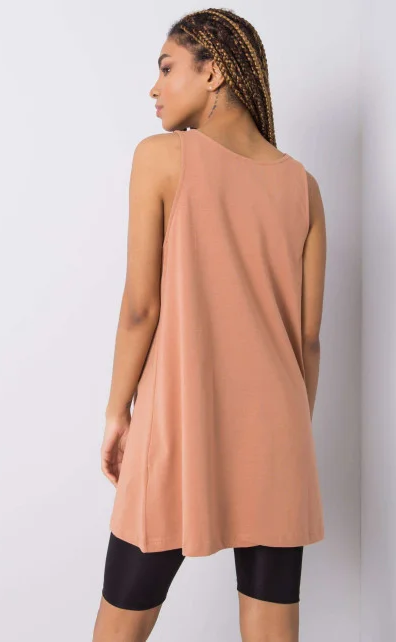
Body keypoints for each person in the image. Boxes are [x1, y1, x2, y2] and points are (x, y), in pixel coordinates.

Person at [93, 8, 327, 642]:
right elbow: (307, 339)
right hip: (278, 434)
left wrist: (117, 413)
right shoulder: (303, 187)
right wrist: (288, 438)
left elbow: (140, 308)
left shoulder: (161, 158)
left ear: (213, 71)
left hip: (178, 423)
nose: (155, 87)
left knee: (120, 623)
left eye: (167, 68)